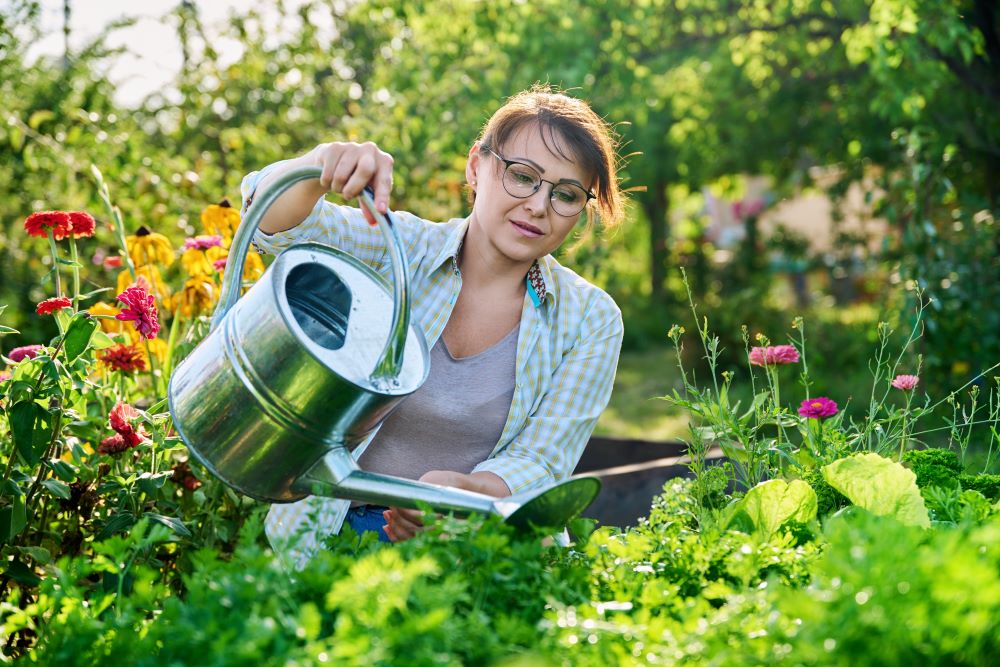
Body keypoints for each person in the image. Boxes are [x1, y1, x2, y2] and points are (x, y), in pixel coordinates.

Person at [241, 86, 627, 567]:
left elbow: (542, 461)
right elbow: (270, 225)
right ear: (476, 167)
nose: (538, 205)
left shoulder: (589, 318)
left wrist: (465, 496)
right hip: (329, 537)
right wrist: (321, 164)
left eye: (565, 194)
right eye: (523, 176)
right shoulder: (398, 247)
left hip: (478, 551)